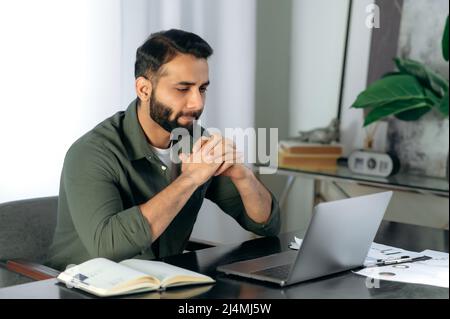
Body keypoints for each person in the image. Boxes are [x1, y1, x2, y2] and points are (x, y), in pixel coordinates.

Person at [46, 29, 280, 271]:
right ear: (144, 89)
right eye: (182, 89)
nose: (197, 103)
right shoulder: (91, 153)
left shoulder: (195, 141)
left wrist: (243, 176)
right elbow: (109, 248)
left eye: (202, 89)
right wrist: (190, 179)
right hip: (85, 287)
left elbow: (265, 225)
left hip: (161, 284)